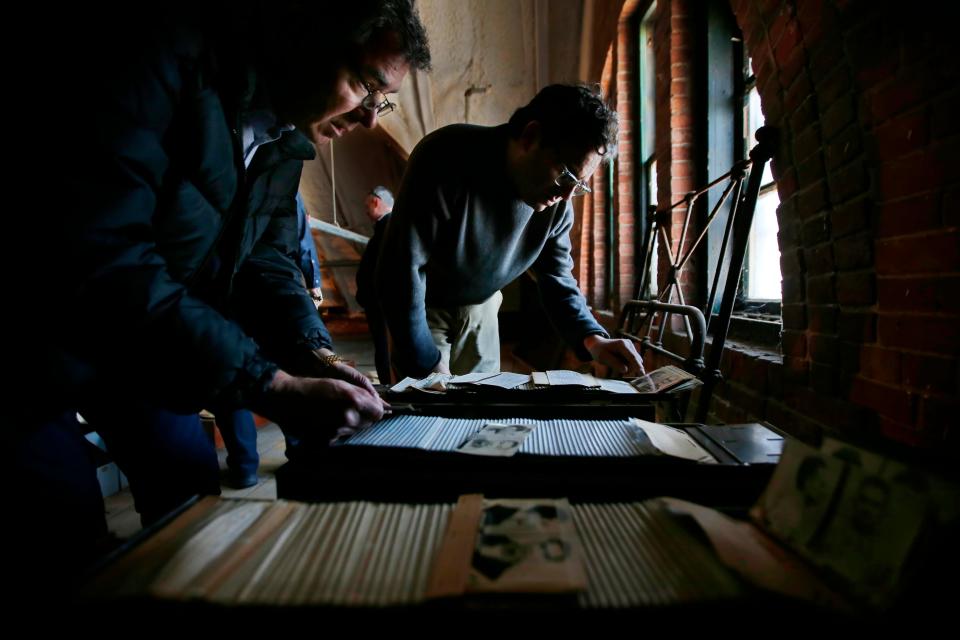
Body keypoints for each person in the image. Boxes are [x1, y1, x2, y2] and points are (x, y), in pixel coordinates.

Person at [10, 0, 431, 597]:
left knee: (190, 506)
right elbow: (106, 257)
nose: (368, 117)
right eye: (366, 86)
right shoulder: (157, 56)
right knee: (62, 531)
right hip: (38, 338)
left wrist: (318, 355)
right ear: (308, 34)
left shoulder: (284, 140)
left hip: (136, 335)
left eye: (380, 100)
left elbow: (266, 261)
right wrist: (270, 385)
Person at [376, 84, 644, 378]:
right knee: (426, 409)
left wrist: (593, 338)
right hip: (422, 304)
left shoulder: (556, 202)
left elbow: (555, 276)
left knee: (483, 407)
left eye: (578, 186)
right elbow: (402, 268)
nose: (568, 196)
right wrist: (424, 361)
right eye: (567, 175)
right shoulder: (445, 156)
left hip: (483, 306)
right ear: (530, 136)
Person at [355, 186, 395, 383]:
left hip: (382, 305)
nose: (365, 209)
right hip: (380, 303)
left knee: (385, 349)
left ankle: (390, 389)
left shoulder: (388, 229)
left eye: (366, 204)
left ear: (376, 202)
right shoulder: (387, 228)